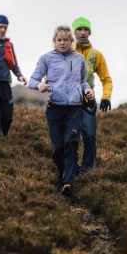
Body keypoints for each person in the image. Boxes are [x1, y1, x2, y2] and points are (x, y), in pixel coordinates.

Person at [28, 25, 93, 194]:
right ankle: (62, 173)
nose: (62, 43)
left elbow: (82, 81)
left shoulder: (79, 59)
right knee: (58, 147)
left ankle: (68, 181)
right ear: (54, 41)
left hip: (74, 108)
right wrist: (39, 84)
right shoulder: (46, 59)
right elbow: (32, 80)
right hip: (54, 109)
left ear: (71, 41)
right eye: (59, 40)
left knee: (71, 143)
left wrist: (87, 90)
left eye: (66, 40)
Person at [72, 17, 113, 173]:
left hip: (88, 102)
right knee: (70, 137)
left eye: (85, 29)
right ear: (74, 32)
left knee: (89, 136)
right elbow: (51, 72)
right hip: (68, 102)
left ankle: (88, 171)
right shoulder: (66, 50)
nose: (83, 33)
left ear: (89, 32)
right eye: (79, 29)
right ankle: (70, 166)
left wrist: (105, 97)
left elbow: (106, 79)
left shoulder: (96, 55)